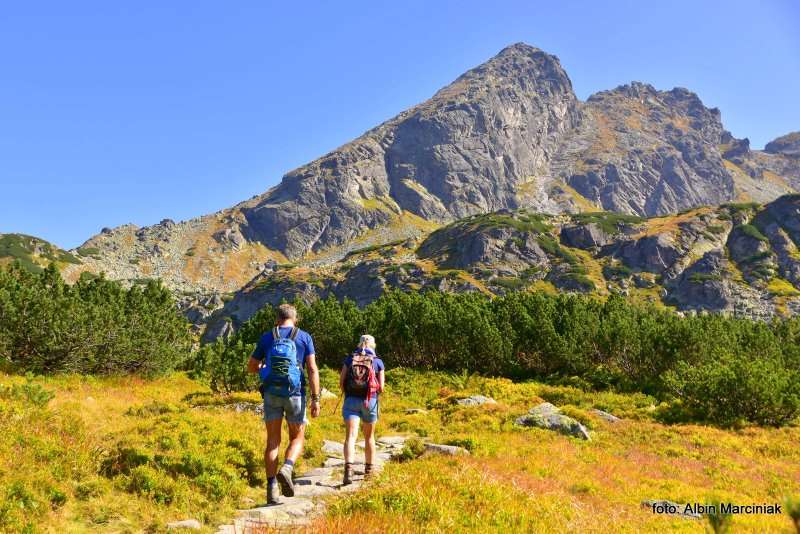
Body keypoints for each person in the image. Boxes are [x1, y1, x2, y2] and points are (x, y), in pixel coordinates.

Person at [247, 303, 321, 504]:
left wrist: (263, 367)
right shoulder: (304, 337)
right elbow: (313, 369)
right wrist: (316, 399)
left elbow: (251, 366)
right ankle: (287, 467)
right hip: (295, 394)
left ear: (277, 319)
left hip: (271, 394)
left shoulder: (267, 336)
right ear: (294, 319)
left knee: (273, 441)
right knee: (297, 438)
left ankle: (271, 490)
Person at [339, 334, 385, 485]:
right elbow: (382, 387)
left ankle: (348, 471)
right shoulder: (377, 362)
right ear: (374, 345)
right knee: (369, 437)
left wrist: (350, 392)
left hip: (351, 400)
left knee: (351, 436)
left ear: (359, 344)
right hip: (369, 401)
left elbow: (341, 382)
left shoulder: (350, 359)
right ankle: (369, 471)